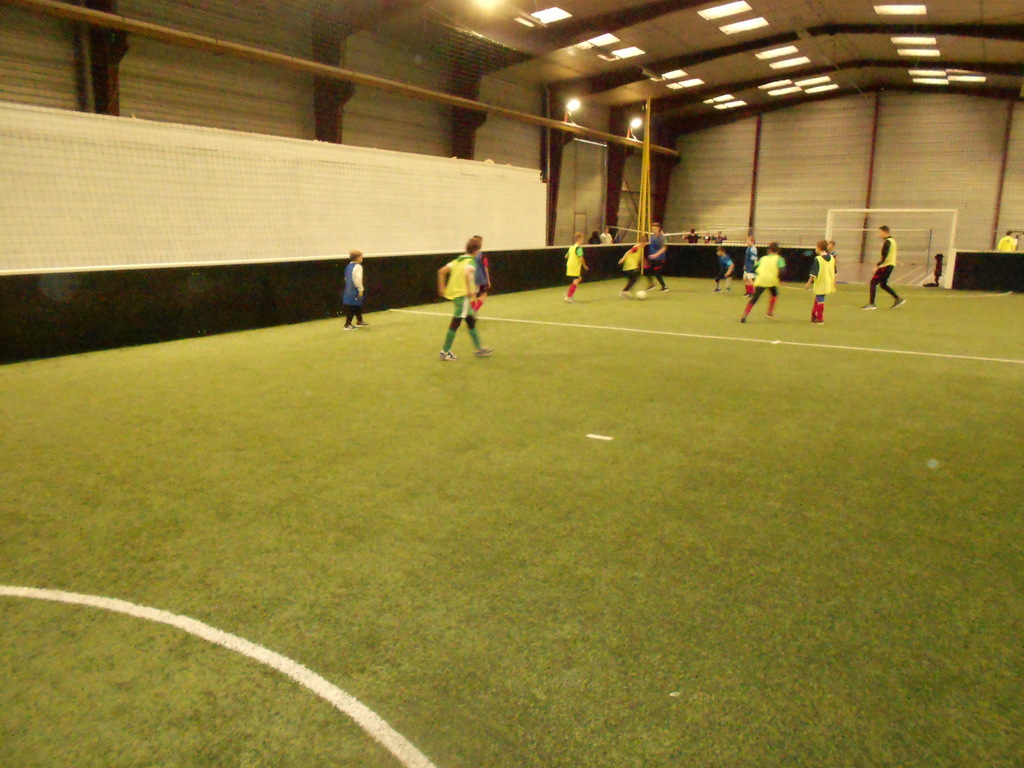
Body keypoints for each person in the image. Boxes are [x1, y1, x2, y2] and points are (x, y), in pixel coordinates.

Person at [437, 237, 493, 361]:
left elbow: (441, 271)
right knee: (455, 323)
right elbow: (467, 273)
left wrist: (441, 288)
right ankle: (445, 351)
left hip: (458, 296)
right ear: (476, 250)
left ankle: (479, 348)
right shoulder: (471, 262)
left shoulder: (458, 260)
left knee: (470, 321)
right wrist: (468, 289)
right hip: (463, 298)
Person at [741, 241, 785, 323]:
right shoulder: (779, 259)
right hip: (772, 280)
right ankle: (769, 313)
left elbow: (754, 268)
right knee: (774, 294)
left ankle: (744, 315)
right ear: (778, 250)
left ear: (769, 250)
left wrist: (757, 274)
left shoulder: (763, 258)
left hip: (761, 280)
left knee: (755, 298)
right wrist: (781, 279)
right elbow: (783, 270)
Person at [863, 225, 905, 310]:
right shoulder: (893, 241)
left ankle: (872, 304)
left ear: (884, 232)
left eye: (880, 232)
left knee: (873, 282)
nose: (878, 234)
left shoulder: (887, 242)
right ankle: (898, 299)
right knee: (883, 284)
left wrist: (877, 266)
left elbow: (884, 256)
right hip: (890, 265)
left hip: (885, 266)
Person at [805, 239, 837, 325]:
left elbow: (814, 272)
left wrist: (808, 283)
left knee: (820, 299)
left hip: (821, 282)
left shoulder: (818, 259)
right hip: (828, 282)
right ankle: (813, 315)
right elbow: (834, 271)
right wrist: (834, 282)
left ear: (819, 248)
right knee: (819, 298)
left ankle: (820, 318)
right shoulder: (832, 258)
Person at [342, 250, 368, 330]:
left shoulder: (348, 266)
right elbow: (358, 279)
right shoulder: (358, 266)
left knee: (357, 304)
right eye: (361, 257)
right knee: (352, 306)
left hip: (349, 289)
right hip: (355, 289)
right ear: (357, 258)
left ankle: (359, 320)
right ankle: (347, 324)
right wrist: (360, 289)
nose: (362, 258)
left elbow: (346, 278)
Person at [564, 232, 589, 303]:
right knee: (576, 280)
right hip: (574, 266)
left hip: (570, 265)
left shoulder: (571, 247)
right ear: (579, 239)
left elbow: (566, 256)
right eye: (582, 239)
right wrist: (584, 266)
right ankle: (569, 296)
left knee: (578, 278)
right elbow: (581, 258)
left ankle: (569, 294)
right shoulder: (578, 248)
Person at [645, 222, 668, 292]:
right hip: (651, 257)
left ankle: (664, 286)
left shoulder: (662, 238)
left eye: (655, 229)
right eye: (653, 229)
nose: (654, 230)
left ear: (659, 229)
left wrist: (656, 255)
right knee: (646, 269)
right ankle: (651, 284)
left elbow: (664, 248)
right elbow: (650, 244)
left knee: (657, 273)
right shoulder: (652, 237)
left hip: (659, 258)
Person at [470, 236, 491, 312]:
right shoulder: (482, 256)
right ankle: (474, 310)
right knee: (483, 294)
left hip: (470, 277)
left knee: (473, 294)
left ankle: (471, 310)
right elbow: (485, 267)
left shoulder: (468, 255)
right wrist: (488, 280)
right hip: (480, 278)